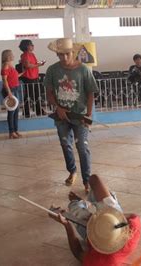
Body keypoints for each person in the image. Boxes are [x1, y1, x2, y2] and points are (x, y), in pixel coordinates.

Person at [49, 174, 141, 265]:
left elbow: (78, 253)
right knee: (94, 179)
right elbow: (135, 217)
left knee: (74, 206)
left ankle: (79, 203)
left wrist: (67, 225)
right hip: (111, 217)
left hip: (97, 226)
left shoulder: (103, 261)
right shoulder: (130, 231)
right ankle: (92, 203)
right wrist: (110, 216)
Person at [45, 38, 99, 191]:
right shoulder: (52, 70)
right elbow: (49, 93)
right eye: (61, 55)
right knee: (65, 144)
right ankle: (72, 171)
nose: (64, 58)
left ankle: (87, 180)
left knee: (82, 146)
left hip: (80, 115)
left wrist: (88, 115)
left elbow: (90, 93)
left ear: (73, 52)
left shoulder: (83, 70)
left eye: (67, 54)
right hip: (61, 116)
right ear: (57, 54)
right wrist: (58, 107)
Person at [1, 49, 24, 139]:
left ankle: (15, 130)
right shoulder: (6, 65)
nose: (13, 55)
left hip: (15, 88)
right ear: (8, 56)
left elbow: (14, 76)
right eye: (12, 54)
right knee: (11, 111)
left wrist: (24, 73)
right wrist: (9, 92)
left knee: (16, 111)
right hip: (10, 90)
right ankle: (11, 132)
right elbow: (4, 80)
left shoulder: (10, 66)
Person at [19, 39, 45, 118]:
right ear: (27, 46)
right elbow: (28, 66)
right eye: (31, 44)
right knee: (29, 95)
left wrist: (40, 63)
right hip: (29, 77)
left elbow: (34, 63)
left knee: (37, 94)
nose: (33, 46)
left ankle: (39, 110)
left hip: (35, 76)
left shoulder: (32, 54)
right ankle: (26, 112)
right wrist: (39, 65)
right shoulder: (25, 55)